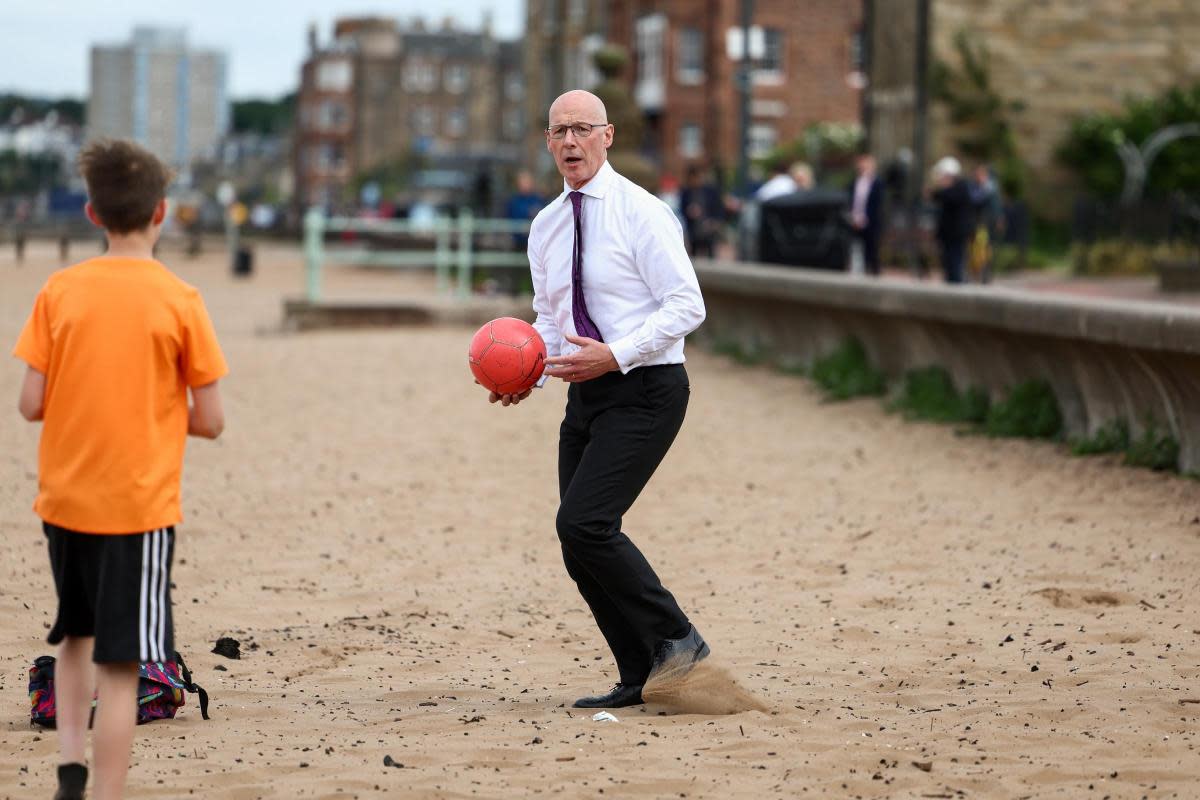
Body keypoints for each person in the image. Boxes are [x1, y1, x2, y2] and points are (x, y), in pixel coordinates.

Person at [12, 139, 228, 800]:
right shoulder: (180, 298)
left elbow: (29, 405)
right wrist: (157, 411)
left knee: (74, 638)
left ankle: (70, 764)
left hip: (65, 501)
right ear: (162, 211)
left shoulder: (59, 290)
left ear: (92, 213)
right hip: (138, 509)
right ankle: (104, 792)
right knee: (121, 662)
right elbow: (212, 418)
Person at [488, 89, 709, 709]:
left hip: (647, 388)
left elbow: (687, 306)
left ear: (607, 136)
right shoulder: (546, 223)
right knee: (578, 541)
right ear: (548, 142)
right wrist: (528, 374)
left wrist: (616, 354)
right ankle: (640, 673)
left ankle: (679, 640)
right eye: (558, 131)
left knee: (584, 523)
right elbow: (549, 316)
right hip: (583, 394)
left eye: (582, 129)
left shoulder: (643, 213)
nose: (569, 142)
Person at [929, 156, 975, 284]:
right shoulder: (955, 189)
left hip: (956, 235)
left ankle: (957, 288)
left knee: (955, 264)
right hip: (948, 235)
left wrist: (934, 193)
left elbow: (945, 196)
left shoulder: (960, 188)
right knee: (949, 265)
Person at [848, 152, 884, 276]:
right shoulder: (854, 182)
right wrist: (854, 218)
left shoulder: (877, 183)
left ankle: (875, 277)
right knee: (856, 252)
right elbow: (852, 201)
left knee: (872, 253)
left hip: (871, 223)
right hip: (855, 222)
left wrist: (866, 218)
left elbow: (878, 204)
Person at [968, 163, 1005, 283]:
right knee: (976, 248)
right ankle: (977, 273)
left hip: (986, 224)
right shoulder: (975, 187)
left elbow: (996, 204)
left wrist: (999, 217)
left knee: (984, 248)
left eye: (982, 174)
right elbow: (974, 200)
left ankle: (985, 274)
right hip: (977, 223)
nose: (979, 176)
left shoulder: (991, 187)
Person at [679, 165, 725, 259]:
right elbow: (682, 209)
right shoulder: (686, 192)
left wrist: (715, 222)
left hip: (708, 229)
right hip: (694, 230)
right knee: (694, 256)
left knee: (710, 255)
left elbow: (718, 207)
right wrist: (689, 211)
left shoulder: (710, 191)